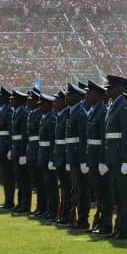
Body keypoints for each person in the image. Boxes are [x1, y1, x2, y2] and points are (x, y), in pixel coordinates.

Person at [103, 74, 127, 240]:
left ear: (119, 89)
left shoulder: (123, 105)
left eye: (110, 88)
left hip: (121, 157)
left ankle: (126, 229)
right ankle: (119, 226)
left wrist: (126, 159)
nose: (107, 91)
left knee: (125, 195)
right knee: (118, 194)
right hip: (114, 156)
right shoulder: (114, 104)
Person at [85, 80, 113, 234]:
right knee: (99, 194)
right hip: (93, 158)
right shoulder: (94, 110)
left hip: (99, 159)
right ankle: (101, 223)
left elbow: (104, 138)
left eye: (89, 93)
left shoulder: (102, 111)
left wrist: (103, 160)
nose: (87, 95)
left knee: (105, 193)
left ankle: (106, 224)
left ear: (97, 95)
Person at [64, 83, 90, 229]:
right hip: (73, 158)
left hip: (79, 159)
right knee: (77, 188)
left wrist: (83, 160)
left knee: (82, 190)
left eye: (69, 95)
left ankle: (83, 219)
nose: (66, 98)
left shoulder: (80, 113)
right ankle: (79, 217)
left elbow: (83, 139)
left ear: (77, 97)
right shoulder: (73, 111)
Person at [32, 90, 58, 219]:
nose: (39, 106)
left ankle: (52, 209)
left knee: (51, 185)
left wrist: (52, 159)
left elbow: (53, 141)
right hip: (41, 153)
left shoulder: (52, 119)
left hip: (48, 155)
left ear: (49, 105)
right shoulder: (45, 117)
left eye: (42, 104)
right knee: (41, 184)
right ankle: (42, 207)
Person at [21, 89, 42, 215]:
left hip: (37, 150)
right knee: (30, 180)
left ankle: (42, 207)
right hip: (31, 149)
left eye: (30, 100)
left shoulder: (39, 114)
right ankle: (37, 207)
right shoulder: (32, 113)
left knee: (40, 183)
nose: (28, 102)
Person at [10, 89, 31, 214]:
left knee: (24, 179)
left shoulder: (23, 113)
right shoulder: (16, 112)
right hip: (16, 148)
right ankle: (20, 203)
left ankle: (25, 204)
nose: (11, 100)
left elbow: (24, 134)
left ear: (19, 100)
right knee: (19, 179)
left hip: (21, 149)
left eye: (14, 98)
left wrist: (23, 153)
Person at [51, 89, 70, 223]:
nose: (54, 103)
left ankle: (67, 214)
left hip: (66, 156)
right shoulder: (60, 115)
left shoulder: (68, 114)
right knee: (63, 187)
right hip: (59, 155)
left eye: (57, 100)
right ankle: (62, 213)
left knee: (67, 188)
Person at [0, 87, 16, 210]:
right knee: (4, 176)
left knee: (8, 177)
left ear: (4, 98)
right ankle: (7, 200)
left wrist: (9, 148)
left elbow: (10, 131)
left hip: (5, 147)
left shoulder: (8, 111)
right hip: (1, 146)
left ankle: (9, 201)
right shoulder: (3, 110)